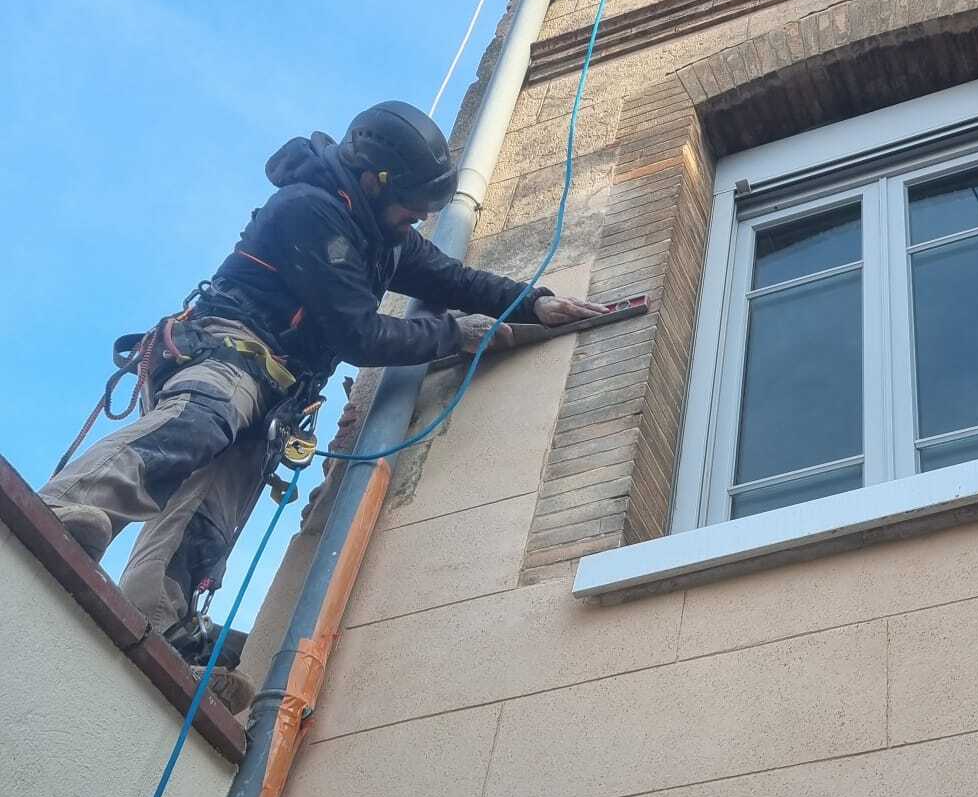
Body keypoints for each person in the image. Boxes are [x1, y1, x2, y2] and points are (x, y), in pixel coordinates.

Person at [40, 101, 603, 706]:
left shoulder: (383, 234)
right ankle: (66, 513)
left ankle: (159, 622)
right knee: (200, 421)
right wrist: (456, 334)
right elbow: (358, 336)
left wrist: (531, 301)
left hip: (277, 386)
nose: (420, 217)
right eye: (414, 202)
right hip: (234, 348)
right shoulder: (310, 211)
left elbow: (450, 279)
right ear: (371, 179)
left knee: (212, 508)